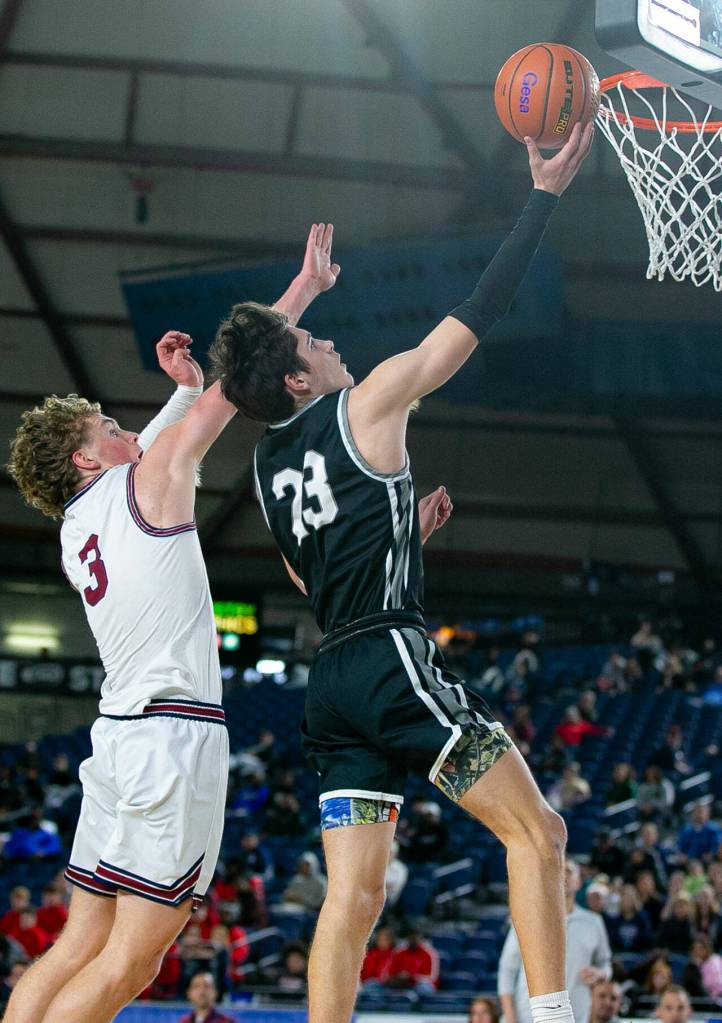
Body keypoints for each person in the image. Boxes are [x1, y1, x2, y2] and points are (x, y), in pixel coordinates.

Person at [209, 124, 593, 1023]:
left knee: (354, 900)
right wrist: (544, 198)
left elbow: (317, 581)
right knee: (539, 833)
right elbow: (475, 314)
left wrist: (399, 533)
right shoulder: (367, 399)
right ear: (300, 380)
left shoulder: (265, 470)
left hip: (331, 686)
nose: (325, 341)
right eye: (308, 341)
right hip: (388, 661)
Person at [3, 227, 335, 1023]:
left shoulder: (80, 519)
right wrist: (303, 295)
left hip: (118, 739)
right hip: (168, 741)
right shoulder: (146, 479)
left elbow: (162, 434)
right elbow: (240, 375)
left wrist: (179, 393)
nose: (126, 430)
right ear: (90, 459)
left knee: (78, 942)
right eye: (110, 428)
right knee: (133, 957)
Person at [498, 858, 612, 1023]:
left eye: (568, 871)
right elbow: (507, 970)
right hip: (527, 1016)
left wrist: (599, 973)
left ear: (578, 882)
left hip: (576, 1015)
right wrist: (510, 1017)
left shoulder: (593, 922)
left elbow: (605, 965)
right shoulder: (528, 918)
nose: (562, 874)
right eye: (557, 870)